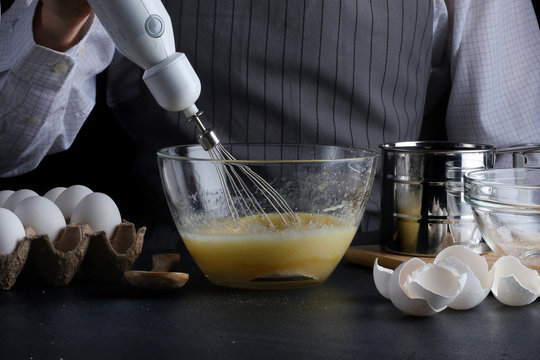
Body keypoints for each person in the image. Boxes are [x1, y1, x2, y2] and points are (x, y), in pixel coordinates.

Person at [1, 0, 539, 249]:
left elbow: (521, 162)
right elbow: (10, 154)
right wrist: (56, 24)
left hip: (379, 296)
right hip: (165, 291)